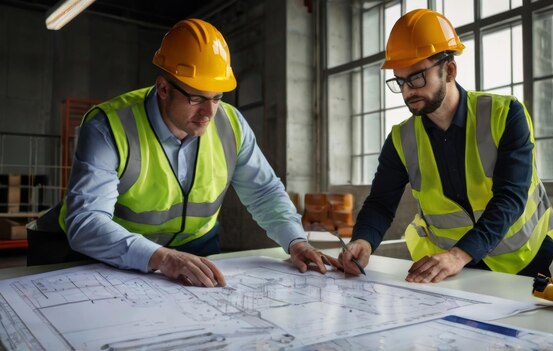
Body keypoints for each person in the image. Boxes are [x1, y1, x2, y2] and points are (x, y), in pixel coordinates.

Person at [32, 18, 330, 287]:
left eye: (217, 97)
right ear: (163, 88)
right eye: (196, 97)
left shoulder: (231, 124)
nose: (209, 112)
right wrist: (162, 257)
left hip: (194, 248)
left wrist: (295, 240)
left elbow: (264, 191)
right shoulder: (108, 126)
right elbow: (86, 222)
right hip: (103, 250)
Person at [337, 9, 553, 283]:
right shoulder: (401, 139)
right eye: (400, 81)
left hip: (529, 259)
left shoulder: (505, 115)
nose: (408, 91)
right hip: (457, 271)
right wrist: (363, 240)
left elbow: (510, 198)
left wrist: (460, 254)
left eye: (417, 78)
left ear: (450, 70)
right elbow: (380, 202)